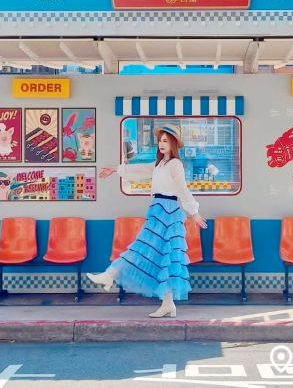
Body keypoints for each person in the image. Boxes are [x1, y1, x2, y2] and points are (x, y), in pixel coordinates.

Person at [87, 124, 207, 318]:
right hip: (160, 209)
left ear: (174, 144)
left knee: (143, 248)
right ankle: (168, 304)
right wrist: (115, 169)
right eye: (160, 140)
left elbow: (182, 188)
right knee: (162, 258)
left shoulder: (175, 164)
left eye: (166, 141)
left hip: (168, 211)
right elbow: (139, 169)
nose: (161, 143)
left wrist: (194, 212)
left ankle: (111, 275)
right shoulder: (159, 164)